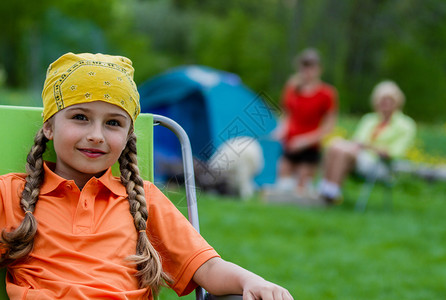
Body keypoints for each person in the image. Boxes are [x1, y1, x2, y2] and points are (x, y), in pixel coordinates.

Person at [0, 53, 293, 299]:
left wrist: (251, 281)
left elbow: (208, 268)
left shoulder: (143, 198)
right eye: (80, 117)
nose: (96, 135)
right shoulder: (11, 193)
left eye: (113, 123)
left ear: (128, 135)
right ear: (49, 126)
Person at [318, 80, 416, 204]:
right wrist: (357, 145)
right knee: (334, 145)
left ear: (397, 102)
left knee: (342, 150)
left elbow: (395, 153)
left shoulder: (405, 125)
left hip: (381, 165)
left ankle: (329, 195)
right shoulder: (369, 119)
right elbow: (356, 141)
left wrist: (367, 147)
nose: (385, 104)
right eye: (382, 100)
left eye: (389, 100)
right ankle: (328, 191)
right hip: (357, 157)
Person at [269, 48, 337, 203]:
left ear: (318, 69)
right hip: (289, 145)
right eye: (304, 66)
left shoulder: (327, 93)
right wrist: (281, 130)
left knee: (301, 191)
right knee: (283, 188)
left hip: (310, 148)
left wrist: (305, 141)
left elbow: (329, 126)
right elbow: (286, 115)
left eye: (311, 66)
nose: (307, 71)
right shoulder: (292, 88)